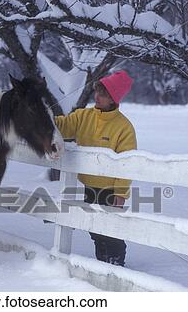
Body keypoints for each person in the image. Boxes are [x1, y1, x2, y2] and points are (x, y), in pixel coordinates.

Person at [54, 70, 137, 266]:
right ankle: (102, 261)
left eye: (103, 94)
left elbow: (128, 163)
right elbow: (62, 126)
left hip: (110, 189)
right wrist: (43, 116)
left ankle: (115, 261)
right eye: (97, 92)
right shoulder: (83, 116)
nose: (97, 97)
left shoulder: (124, 127)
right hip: (89, 185)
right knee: (94, 227)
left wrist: (121, 192)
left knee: (110, 229)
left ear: (113, 99)